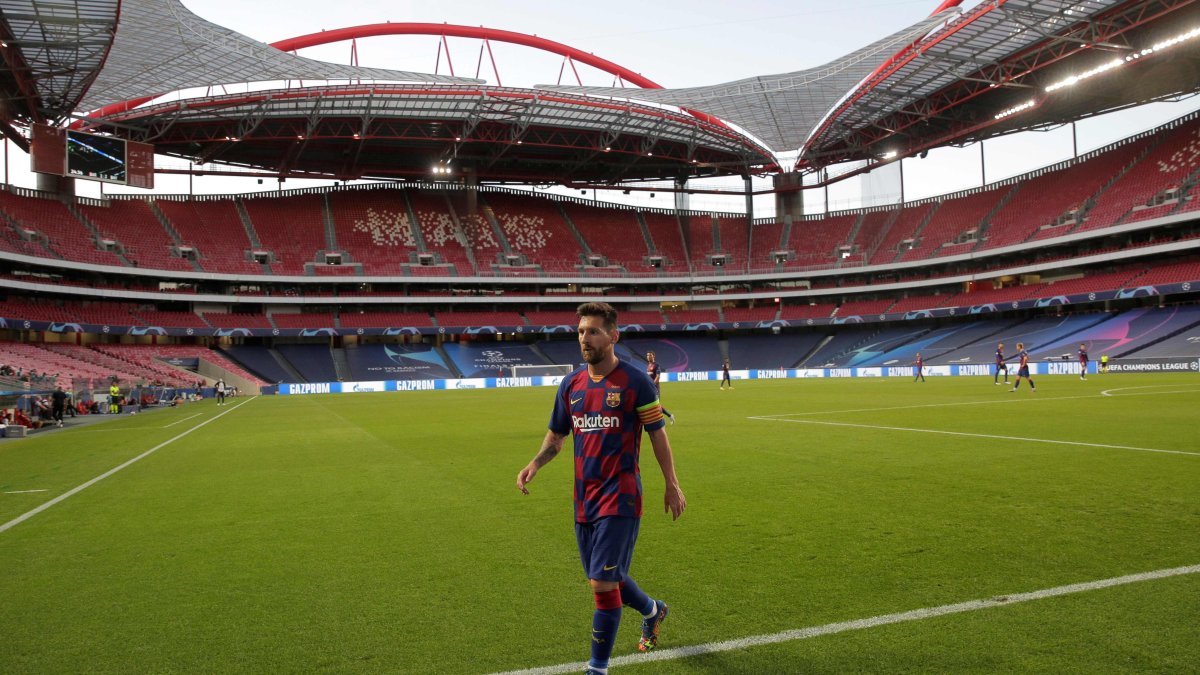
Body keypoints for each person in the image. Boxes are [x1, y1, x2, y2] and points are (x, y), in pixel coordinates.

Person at [516, 302, 686, 675]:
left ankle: (597, 669)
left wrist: (671, 484)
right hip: (584, 499)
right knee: (607, 576)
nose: (584, 338)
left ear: (613, 336)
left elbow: (658, 436)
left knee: (602, 584)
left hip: (621, 496)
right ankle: (653, 610)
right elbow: (557, 436)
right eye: (580, 331)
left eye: (593, 331)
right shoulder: (571, 385)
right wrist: (535, 463)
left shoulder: (636, 381)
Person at [644, 351, 676, 424]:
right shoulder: (648, 365)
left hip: (655, 388)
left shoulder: (656, 365)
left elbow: (658, 377)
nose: (648, 357)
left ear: (653, 356)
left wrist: (652, 385)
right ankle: (668, 416)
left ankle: (668, 416)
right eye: (647, 355)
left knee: (656, 405)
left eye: (650, 355)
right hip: (650, 388)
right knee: (651, 404)